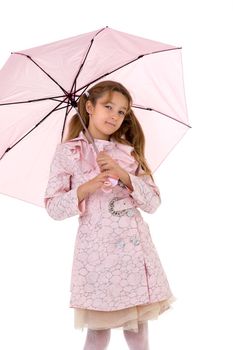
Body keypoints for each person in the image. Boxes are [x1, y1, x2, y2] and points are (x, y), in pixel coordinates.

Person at [44, 80, 176, 350]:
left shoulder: (127, 152)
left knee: (139, 330)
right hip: (97, 255)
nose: (115, 116)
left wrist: (123, 173)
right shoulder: (69, 153)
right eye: (108, 107)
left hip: (134, 253)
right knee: (98, 332)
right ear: (89, 107)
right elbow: (53, 207)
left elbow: (153, 203)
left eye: (121, 112)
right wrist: (85, 188)